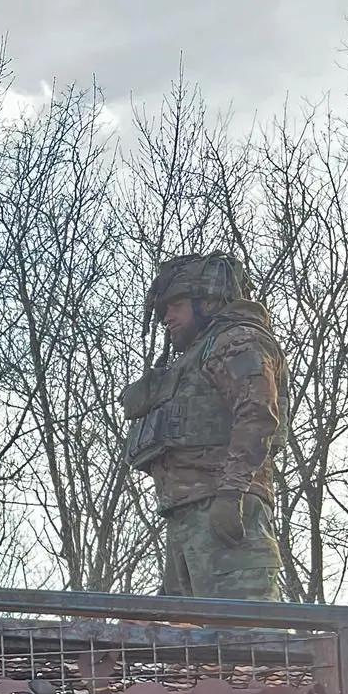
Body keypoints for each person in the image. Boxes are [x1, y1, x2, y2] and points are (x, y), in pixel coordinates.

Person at [119, 252, 290, 600]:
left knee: (244, 629)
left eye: (176, 306)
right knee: (183, 632)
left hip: (225, 512)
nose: (167, 317)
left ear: (208, 302)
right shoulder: (194, 357)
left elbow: (257, 415)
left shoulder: (236, 340)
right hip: (188, 518)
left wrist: (231, 494)